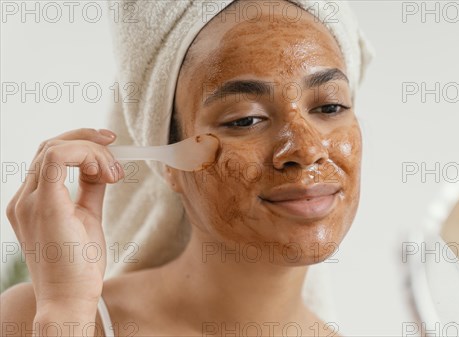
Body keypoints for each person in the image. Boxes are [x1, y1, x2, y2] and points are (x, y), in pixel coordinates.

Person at [1, 1, 373, 336]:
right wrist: (65, 313)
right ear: (169, 162)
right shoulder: (39, 317)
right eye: (245, 119)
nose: (306, 150)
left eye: (329, 107)